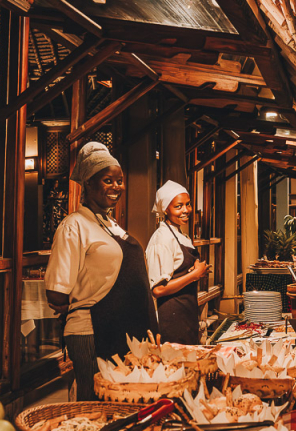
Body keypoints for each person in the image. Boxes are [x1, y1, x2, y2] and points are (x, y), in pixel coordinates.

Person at [44, 142, 158, 400]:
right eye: (108, 181)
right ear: (88, 184)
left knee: (122, 401)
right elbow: (56, 293)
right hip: (92, 331)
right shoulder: (74, 225)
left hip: (123, 331)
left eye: (119, 181)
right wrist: (77, 302)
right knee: (95, 400)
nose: (117, 187)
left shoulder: (111, 225)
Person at [146, 181, 211, 345]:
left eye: (188, 205)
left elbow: (180, 273)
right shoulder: (162, 239)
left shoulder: (180, 235)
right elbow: (158, 289)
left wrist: (197, 273)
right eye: (178, 206)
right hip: (171, 320)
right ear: (166, 209)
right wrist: (195, 275)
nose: (186, 210)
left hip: (186, 315)